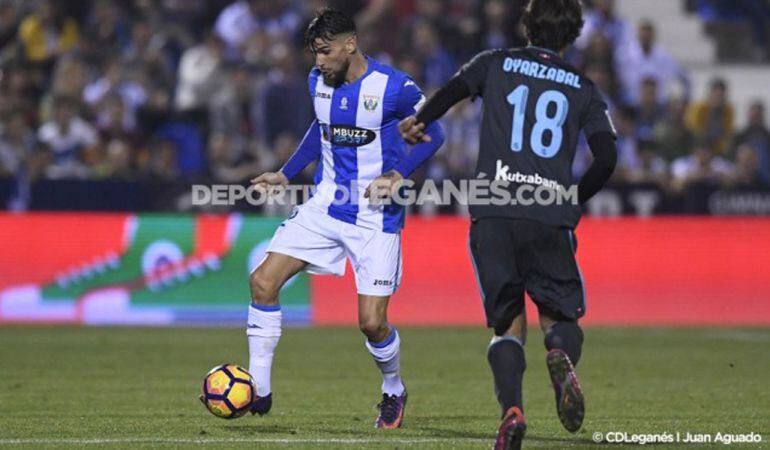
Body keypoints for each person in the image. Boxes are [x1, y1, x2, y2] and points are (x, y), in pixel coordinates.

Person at [398, 0, 617, 448]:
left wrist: (419, 121)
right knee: (559, 318)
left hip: (493, 207)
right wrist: (573, 200)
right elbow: (607, 157)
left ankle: (512, 411)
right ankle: (558, 353)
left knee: (507, 325)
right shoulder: (584, 87)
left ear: (526, 25)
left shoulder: (494, 63)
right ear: (573, 35)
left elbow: (452, 90)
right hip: (548, 211)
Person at [246, 8, 445, 429]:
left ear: (350, 45)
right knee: (262, 282)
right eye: (314, 53)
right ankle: (258, 390)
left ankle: (393, 387)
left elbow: (436, 133)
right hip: (324, 206)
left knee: (372, 323)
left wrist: (397, 174)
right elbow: (320, 131)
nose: (318, 61)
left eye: (325, 51)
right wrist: (285, 172)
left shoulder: (394, 87)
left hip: (376, 215)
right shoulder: (317, 81)